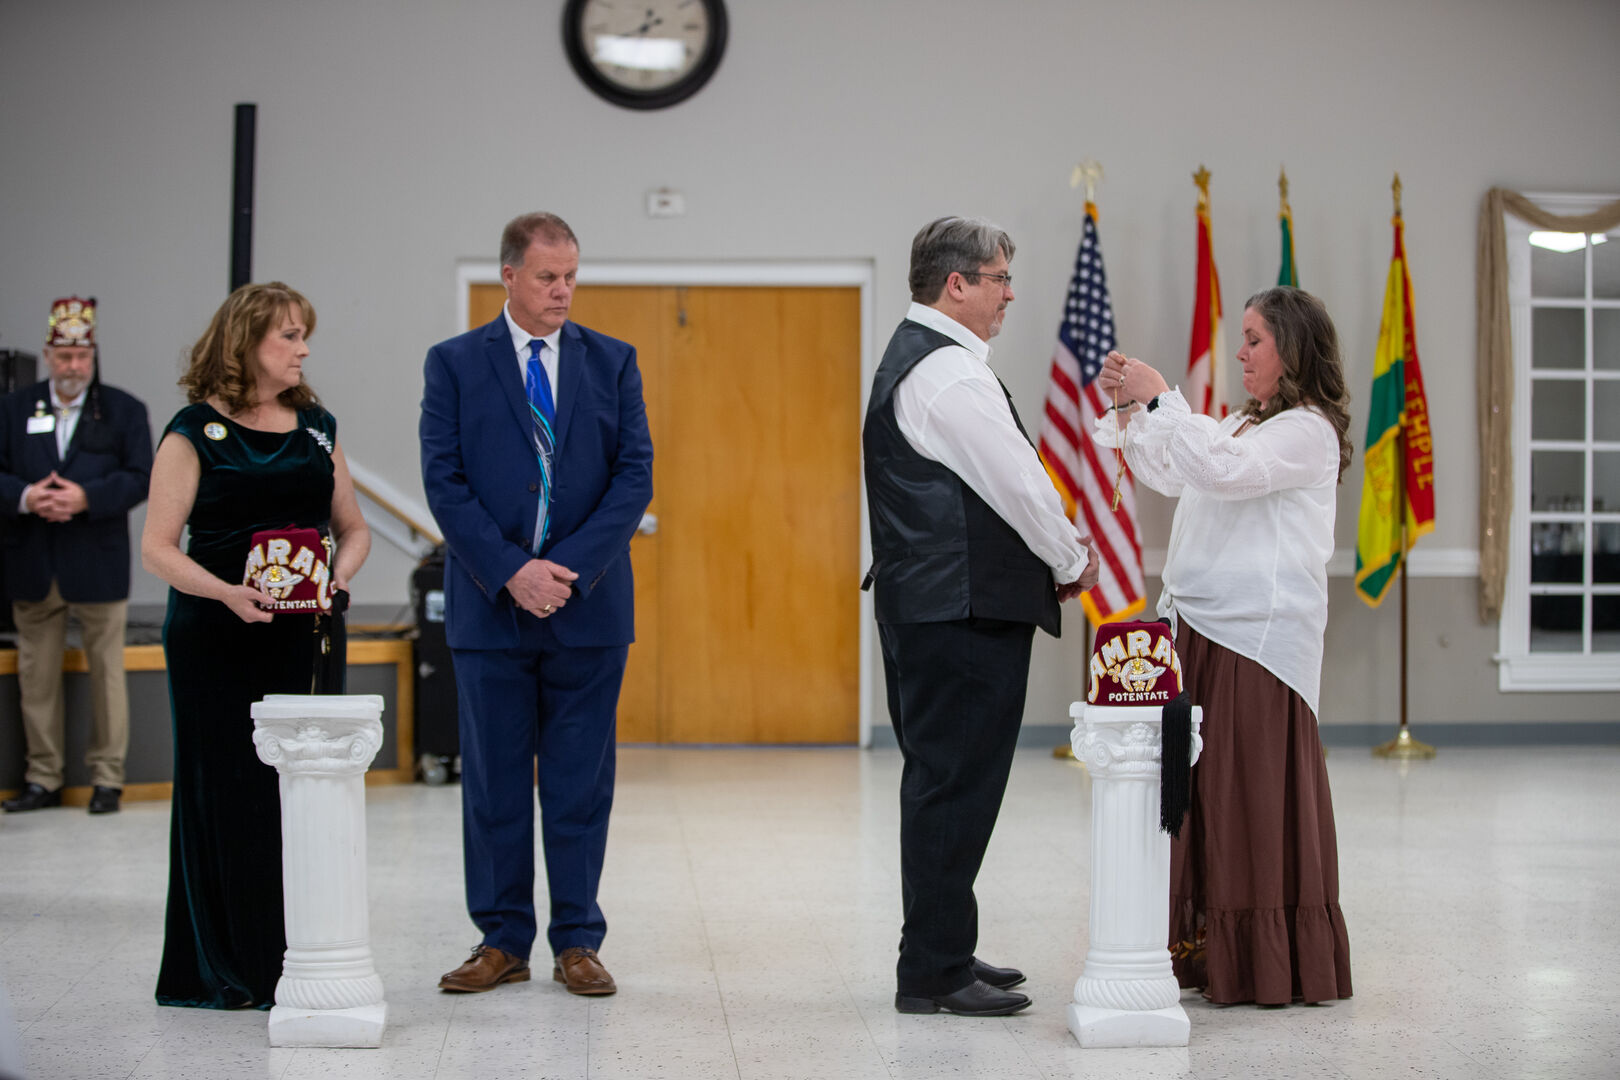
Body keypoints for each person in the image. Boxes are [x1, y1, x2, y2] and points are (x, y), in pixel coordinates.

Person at [864, 216, 1100, 1018]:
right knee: (954, 788)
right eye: (998, 278)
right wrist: (1068, 559)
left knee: (948, 784)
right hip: (957, 611)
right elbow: (1018, 482)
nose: (1009, 295)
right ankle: (932, 972)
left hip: (938, 606)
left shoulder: (926, 359)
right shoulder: (947, 373)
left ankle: (943, 949)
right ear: (955, 283)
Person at [1096, 285, 1354, 1005]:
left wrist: (1162, 397)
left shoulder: (1306, 431)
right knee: (1206, 796)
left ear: (1292, 349)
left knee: (1246, 796)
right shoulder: (1246, 422)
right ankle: (1208, 948)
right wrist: (1135, 409)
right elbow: (1177, 473)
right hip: (1204, 631)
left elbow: (1222, 471)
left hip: (1255, 642)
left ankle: (1265, 960)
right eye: (1241, 338)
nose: (1240, 354)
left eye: (1254, 340)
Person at [421, 212, 652, 997]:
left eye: (572, 277)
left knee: (580, 783)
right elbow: (444, 481)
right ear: (509, 276)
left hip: (588, 612)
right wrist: (513, 571)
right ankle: (502, 940)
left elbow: (634, 478)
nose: (563, 291)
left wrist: (567, 572)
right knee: (493, 782)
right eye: (548, 277)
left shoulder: (612, 361)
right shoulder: (454, 364)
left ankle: (578, 939)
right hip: (491, 610)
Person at [142, 282, 370, 1009]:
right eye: (290, 336)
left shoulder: (319, 427)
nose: (304, 349)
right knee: (226, 792)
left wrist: (339, 575)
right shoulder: (192, 430)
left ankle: (300, 955)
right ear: (246, 343)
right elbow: (157, 548)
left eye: (305, 335)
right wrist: (226, 593)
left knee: (302, 795)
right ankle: (225, 967)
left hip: (305, 636)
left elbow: (353, 528)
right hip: (216, 634)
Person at [0, 297, 151, 816]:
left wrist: (86, 498)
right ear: (47, 355)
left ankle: (107, 778)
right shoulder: (13, 408)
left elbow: (141, 477)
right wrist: (26, 497)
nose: (73, 366)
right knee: (35, 677)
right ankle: (43, 778)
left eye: (82, 356)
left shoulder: (123, 409)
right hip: (33, 561)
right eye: (63, 356)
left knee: (107, 674)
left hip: (98, 562)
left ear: (93, 355)